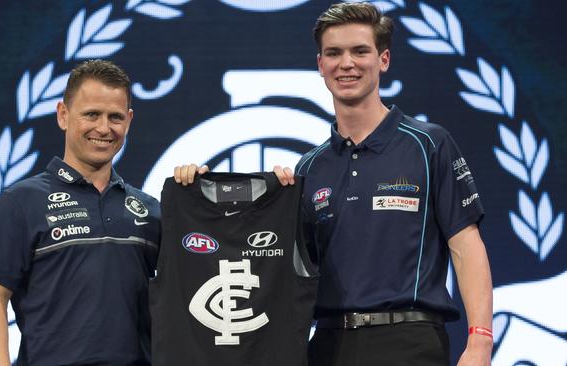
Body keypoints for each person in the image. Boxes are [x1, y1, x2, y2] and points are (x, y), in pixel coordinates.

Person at [176, 2, 493, 365]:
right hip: (327, 345)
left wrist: (480, 340)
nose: (347, 63)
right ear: (320, 65)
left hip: (410, 341)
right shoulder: (309, 168)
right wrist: (198, 193)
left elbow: (467, 246)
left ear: (383, 59)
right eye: (334, 53)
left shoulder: (428, 145)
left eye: (360, 51)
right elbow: (271, 263)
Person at [0, 59, 160, 366]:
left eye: (115, 117)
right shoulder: (21, 201)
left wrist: (193, 189)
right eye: (91, 114)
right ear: (63, 115)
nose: (104, 128)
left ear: (128, 120)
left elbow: (196, 280)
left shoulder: (151, 211)